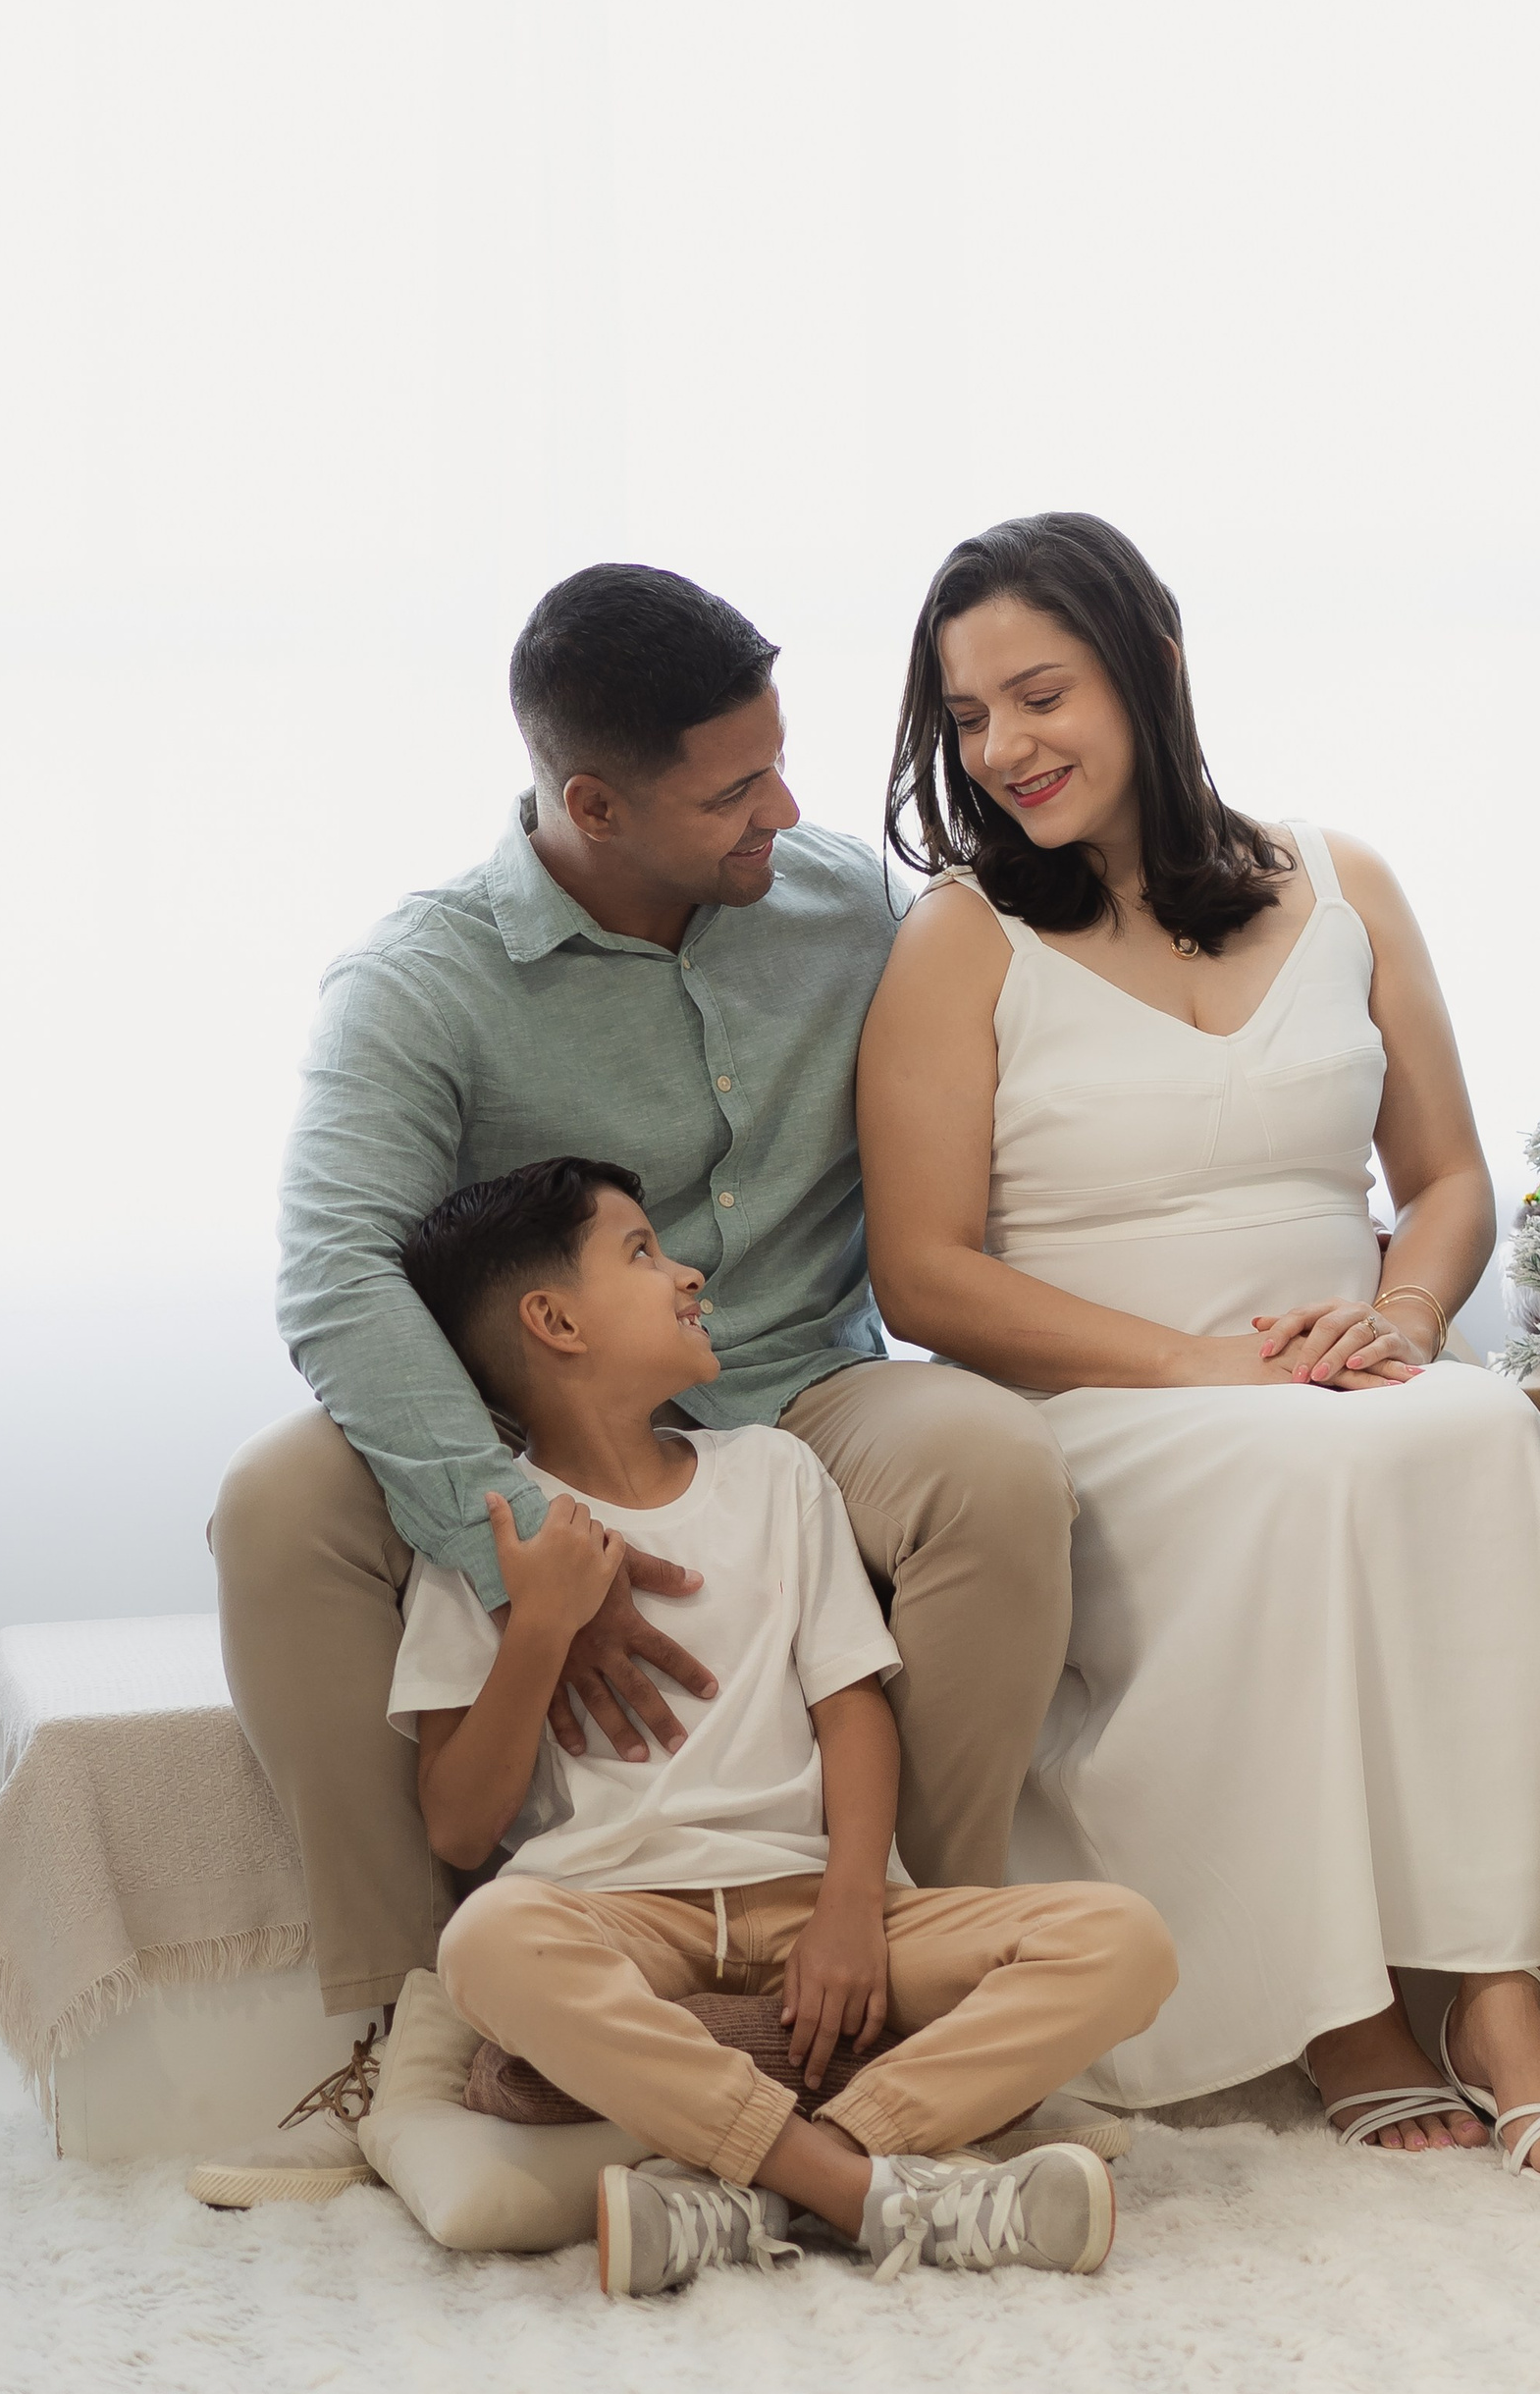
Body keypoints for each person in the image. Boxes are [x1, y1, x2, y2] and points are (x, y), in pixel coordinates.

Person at [197, 565, 1078, 2207]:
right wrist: (529, 1540)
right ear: (591, 802)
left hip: (804, 1384)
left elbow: (1046, 1052)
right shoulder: (421, 980)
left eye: (780, 761)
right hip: (558, 1423)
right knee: (275, 1507)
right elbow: (334, 1278)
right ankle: (421, 2025)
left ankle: (894, 1975)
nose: (791, 811)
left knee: (993, 1469)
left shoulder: (847, 909)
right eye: (733, 790)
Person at [856, 512, 1540, 2179]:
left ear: (1155, 662)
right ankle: (1330, 1995)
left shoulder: (1342, 883)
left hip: (1329, 1375)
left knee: (1481, 1428)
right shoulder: (959, 936)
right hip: (1107, 1401)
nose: (1003, 748)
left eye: (1039, 694)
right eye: (969, 716)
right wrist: (1211, 1366)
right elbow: (922, 1277)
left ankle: (1494, 1987)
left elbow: (1444, 1183)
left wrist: (1403, 1316)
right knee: (1303, 1465)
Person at [388, 1156, 1174, 2293]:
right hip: (614, 1915)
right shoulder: (488, 1540)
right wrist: (539, 1628)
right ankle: (858, 2184)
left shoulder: (772, 1469)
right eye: (642, 1252)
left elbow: (851, 1708)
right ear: (554, 1320)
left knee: (1123, 1939)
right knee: (485, 1945)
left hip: (817, 1901)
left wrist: (855, 1904)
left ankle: (760, 2185)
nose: (688, 1268)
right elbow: (462, 1827)